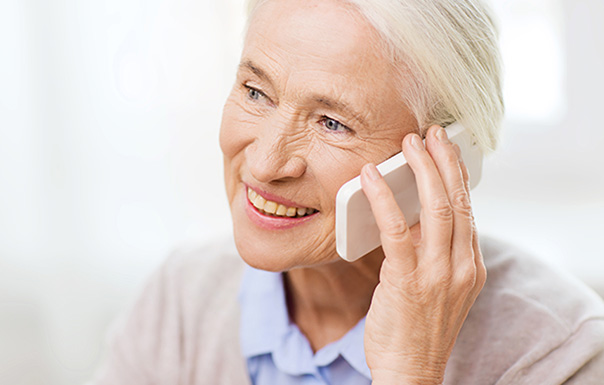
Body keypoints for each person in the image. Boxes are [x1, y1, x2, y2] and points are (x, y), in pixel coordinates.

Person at [89, 0, 604, 384]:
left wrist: (412, 371)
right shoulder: (180, 302)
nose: (266, 163)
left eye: (333, 123)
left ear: (449, 157)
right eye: (255, 92)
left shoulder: (558, 351)